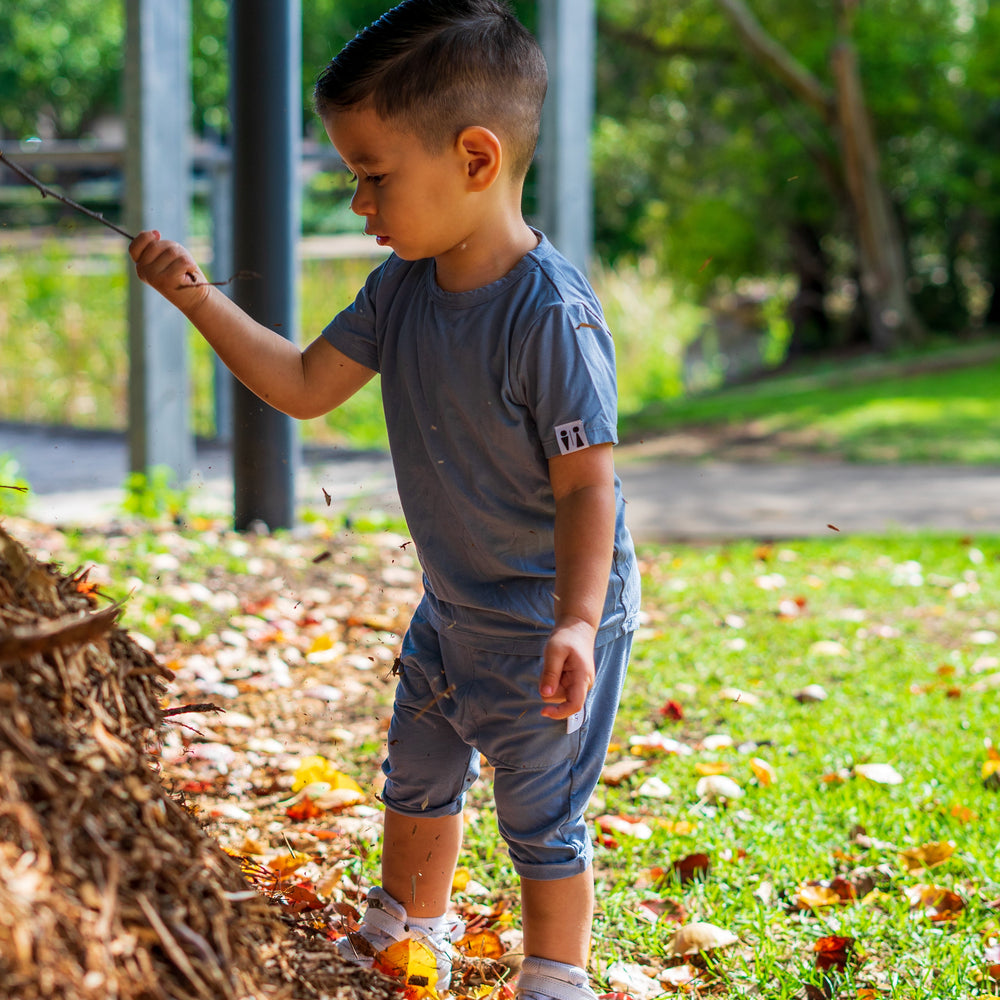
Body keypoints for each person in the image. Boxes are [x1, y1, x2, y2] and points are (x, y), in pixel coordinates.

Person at [129, 2, 640, 997]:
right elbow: (305, 385)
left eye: (374, 175)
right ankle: (409, 924)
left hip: (547, 618)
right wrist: (196, 295)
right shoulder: (398, 289)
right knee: (418, 770)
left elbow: (588, 484)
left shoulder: (550, 315)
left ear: (476, 160)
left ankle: (554, 973)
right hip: (452, 606)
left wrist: (579, 622)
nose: (360, 204)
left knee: (539, 812)